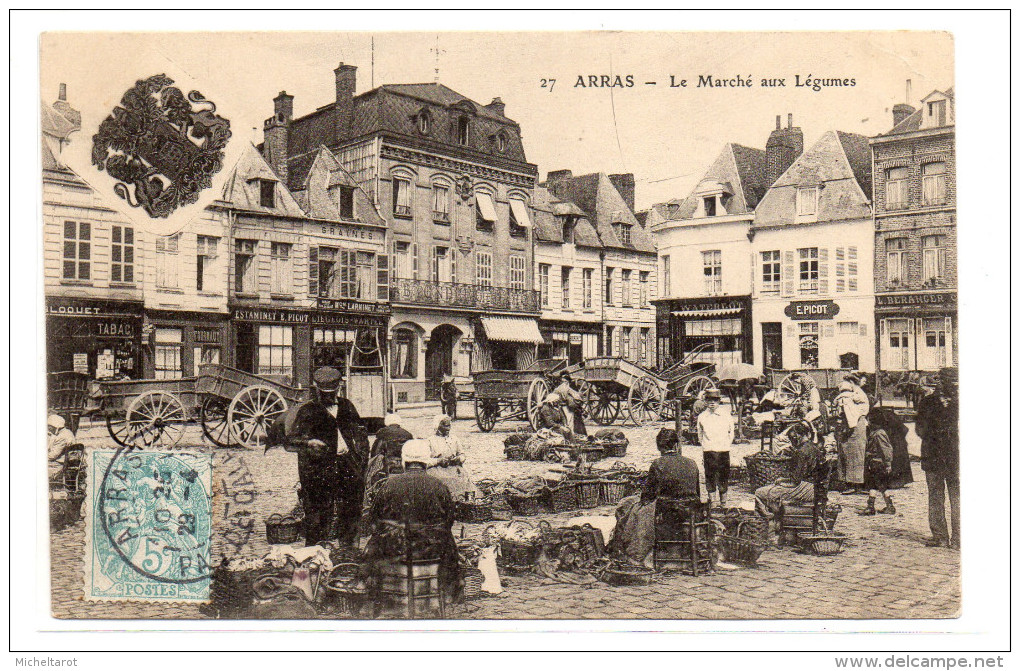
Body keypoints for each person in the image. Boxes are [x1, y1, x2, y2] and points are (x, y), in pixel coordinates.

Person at [365, 439, 461, 604]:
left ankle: (373, 591)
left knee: (373, 544)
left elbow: (374, 519)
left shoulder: (388, 485)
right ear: (425, 462)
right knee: (449, 540)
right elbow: (449, 521)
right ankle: (451, 592)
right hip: (431, 550)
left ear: (405, 461)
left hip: (394, 549)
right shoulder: (439, 486)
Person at [289, 367, 368, 546]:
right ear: (317, 389)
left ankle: (349, 555)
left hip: (347, 467)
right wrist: (308, 443)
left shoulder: (347, 406)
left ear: (339, 389)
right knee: (317, 519)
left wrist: (361, 459)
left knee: (351, 514)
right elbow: (292, 440)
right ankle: (316, 557)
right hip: (319, 471)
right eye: (324, 393)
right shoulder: (307, 411)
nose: (328, 397)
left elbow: (362, 434)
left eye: (331, 393)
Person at [609, 428, 702, 567]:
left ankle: (627, 550)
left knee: (628, 507)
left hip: (668, 512)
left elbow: (647, 495)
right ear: (677, 445)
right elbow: (697, 492)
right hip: (691, 511)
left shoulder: (658, 464)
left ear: (659, 447)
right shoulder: (692, 463)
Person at [915, 367, 959, 549]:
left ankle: (940, 537)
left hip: (933, 454)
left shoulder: (927, 402)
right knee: (958, 497)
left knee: (936, 496)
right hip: (956, 455)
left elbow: (920, 429)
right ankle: (959, 539)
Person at [754, 422, 823, 520]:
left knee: (759, 493)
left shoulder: (801, 452)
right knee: (775, 488)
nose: (792, 442)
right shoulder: (813, 447)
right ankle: (779, 517)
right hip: (817, 486)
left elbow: (795, 481)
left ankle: (769, 521)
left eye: (792, 439)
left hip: (806, 488)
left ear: (798, 436)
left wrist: (781, 482)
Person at [426, 414, 479, 501]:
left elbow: (462, 454)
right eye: (444, 425)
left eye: (449, 425)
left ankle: (464, 501)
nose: (448, 429)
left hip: (454, 468)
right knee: (445, 480)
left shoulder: (454, 439)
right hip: (438, 470)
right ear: (437, 426)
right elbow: (425, 461)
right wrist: (438, 461)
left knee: (463, 478)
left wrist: (458, 459)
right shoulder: (430, 441)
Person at [697, 388, 734, 507]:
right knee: (710, 475)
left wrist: (726, 445)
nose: (712, 403)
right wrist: (706, 446)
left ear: (719, 401)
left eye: (715, 400)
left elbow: (731, 431)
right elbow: (700, 434)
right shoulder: (702, 417)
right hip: (709, 450)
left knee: (723, 475)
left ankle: (723, 502)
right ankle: (712, 501)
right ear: (705, 401)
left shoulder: (725, 415)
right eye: (709, 400)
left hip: (723, 449)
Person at [834, 379, 870, 494]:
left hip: (852, 429)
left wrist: (845, 428)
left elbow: (850, 417)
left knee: (851, 456)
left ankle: (852, 484)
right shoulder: (858, 396)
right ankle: (856, 484)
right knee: (857, 456)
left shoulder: (846, 399)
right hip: (857, 428)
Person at [867, 405, 913, 488]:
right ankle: (898, 481)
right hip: (897, 440)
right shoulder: (884, 415)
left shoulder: (882, 418)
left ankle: (894, 482)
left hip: (896, 441)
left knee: (895, 460)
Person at [859, 422, 896, 515]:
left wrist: (888, 464)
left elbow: (886, 449)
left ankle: (873, 507)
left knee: (877, 484)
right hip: (873, 462)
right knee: (877, 485)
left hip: (878, 462)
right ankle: (886, 506)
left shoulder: (879, 434)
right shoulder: (875, 433)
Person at [47, 414, 77, 480]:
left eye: (50, 427)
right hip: (67, 461)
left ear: (55, 426)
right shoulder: (68, 432)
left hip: (60, 464)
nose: (49, 430)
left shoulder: (61, 437)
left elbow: (52, 455)